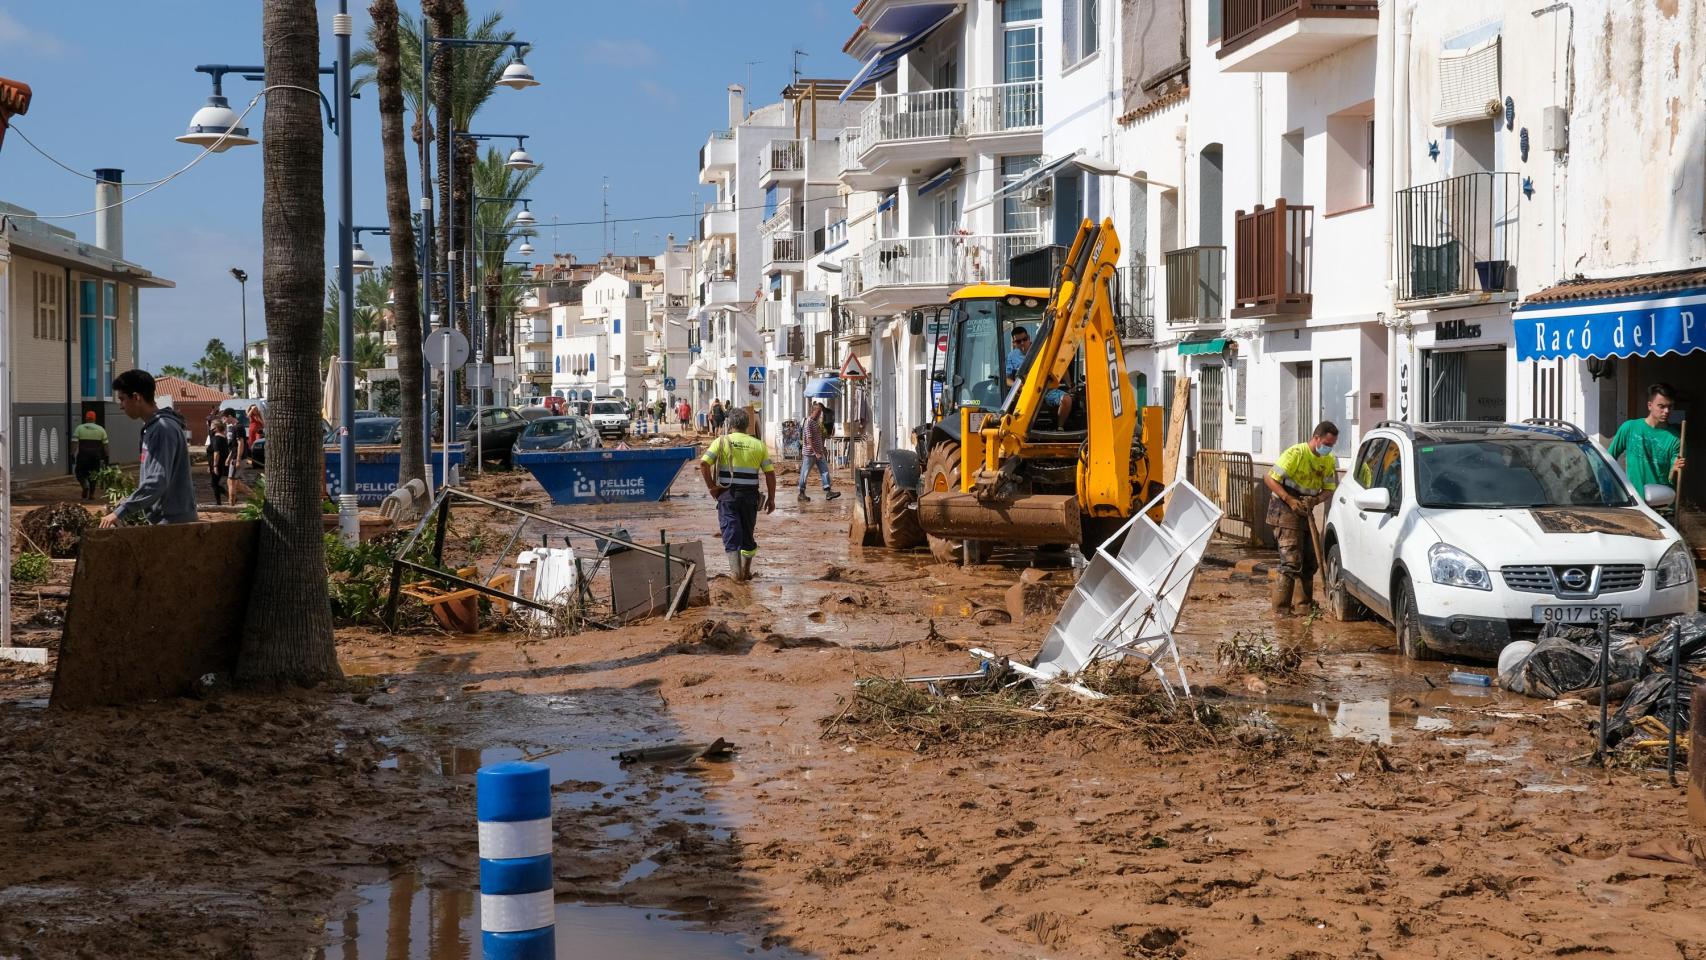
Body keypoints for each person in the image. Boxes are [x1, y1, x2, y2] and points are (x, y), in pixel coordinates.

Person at [101, 369, 198, 527]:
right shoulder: (153, 427)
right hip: (164, 519)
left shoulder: (162, 429)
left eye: (122, 399)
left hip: (172, 523)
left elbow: (157, 480)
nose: (121, 406)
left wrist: (121, 511)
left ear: (137, 397)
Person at [1263, 421, 1340, 616]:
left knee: (1309, 561)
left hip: (1306, 511)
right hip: (1284, 509)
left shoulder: (1328, 461)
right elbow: (1269, 478)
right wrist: (1289, 499)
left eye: (1332, 445)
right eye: (1326, 444)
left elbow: (1329, 489)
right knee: (1290, 562)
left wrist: (1316, 499)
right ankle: (1281, 611)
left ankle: (1303, 606)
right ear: (1316, 438)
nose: (1328, 448)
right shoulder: (1295, 454)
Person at [699, 407, 775, 582]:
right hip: (750, 498)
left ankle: (736, 574)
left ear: (730, 424)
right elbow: (769, 474)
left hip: (728, 497)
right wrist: (771, 499)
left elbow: (704, 464)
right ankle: (746, 572)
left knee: (731, 532)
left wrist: (712, 487)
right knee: (748, 534)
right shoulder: (758, 445)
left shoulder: (721, 441)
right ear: (747, 425)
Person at [1609, 382, 1687, 505]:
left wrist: (1676, 469)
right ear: (1650, 405)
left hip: (1661, 505)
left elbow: (1672, 478)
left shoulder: (1676, 439)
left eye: (1670, 406)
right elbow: (1609, 459)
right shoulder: (1629, 428)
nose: (1666, 411)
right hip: (1633, 502)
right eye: (1661, 406)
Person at [1005, 326, 1072, 424]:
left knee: (1066, 400)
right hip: (1024, 393)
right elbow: (1007, 379)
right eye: (1019, 341)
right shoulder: (1011, 356)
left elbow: (1061, 366)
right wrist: (1016, 385)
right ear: (1014, 343)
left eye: (1024, 339)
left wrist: (1069, 385)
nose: (1023, 343)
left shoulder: (1043, 349)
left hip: (1045, 390)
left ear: (1029, 337)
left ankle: (1060, 428)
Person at [797, 402, 840, 502]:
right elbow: (809, 439)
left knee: (825, 471)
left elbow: (819, 437)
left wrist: (822, 448)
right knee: (805, 473)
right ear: (812, 412)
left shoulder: (816, 422)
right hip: (810, 453)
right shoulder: (808, 423)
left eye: (820, 412)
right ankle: (801, 493)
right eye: (818, 412)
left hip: (818, 452)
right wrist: (816, 452)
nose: (820, 414)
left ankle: (828, 491)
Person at [71, 411, 110, 500]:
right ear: (94, 419)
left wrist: (72, 454)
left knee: (79, 472)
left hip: (83, 455)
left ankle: (84, 485)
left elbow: (74, 442)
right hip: (96, 456)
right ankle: (91, 494)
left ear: (86, 418)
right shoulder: (101, 429)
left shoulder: (79, 428)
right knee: (94, 475)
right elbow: (106, 445)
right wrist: (107, 457)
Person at [206, 413, 231, 505]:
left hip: (218, 464)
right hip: (218, 463)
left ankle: (221, 500)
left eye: (212, 426)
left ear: (216, 427)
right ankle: (227, 497)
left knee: (214, 483)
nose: (210, 428)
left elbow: (216, 453)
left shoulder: (217, 438)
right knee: (215, 483)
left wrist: (215, 466)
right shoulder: (222, 437)